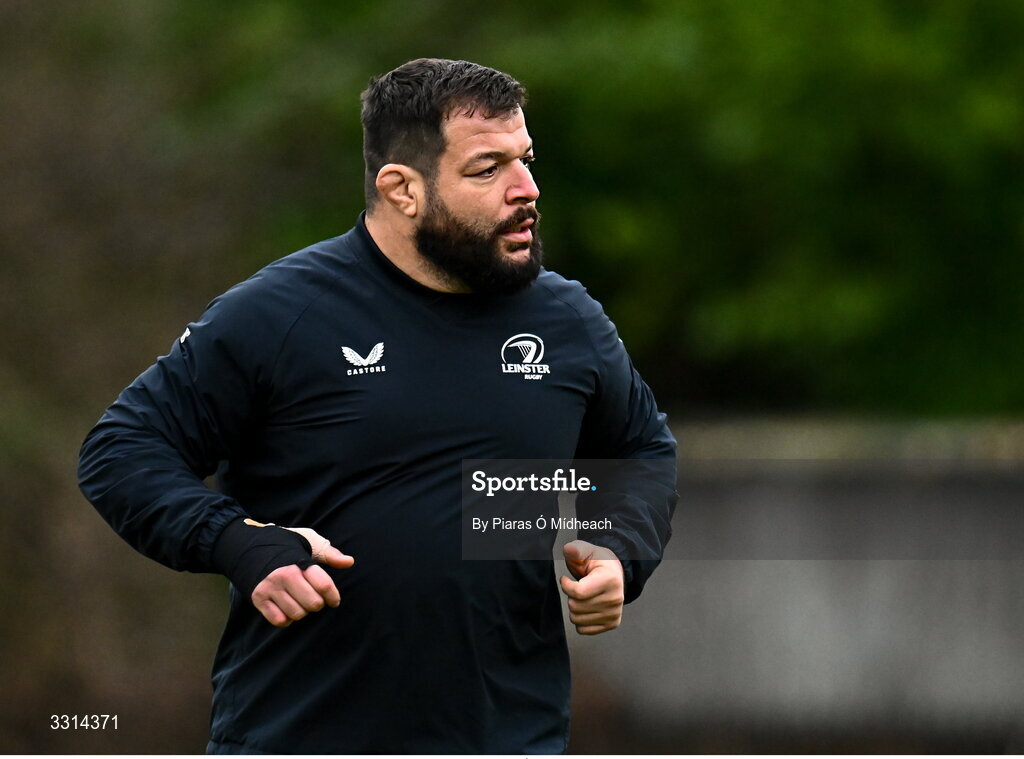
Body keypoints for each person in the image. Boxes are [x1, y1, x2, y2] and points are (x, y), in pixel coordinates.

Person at [78, 58, 677, 754]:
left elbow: (639, 448)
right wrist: (235, 539)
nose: (527, 190)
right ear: (402, 189)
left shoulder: (566, 321)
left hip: (511, 738)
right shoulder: (282, 314)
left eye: (526, 159)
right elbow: (121, 449)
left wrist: (618, 550)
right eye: (488, 170)